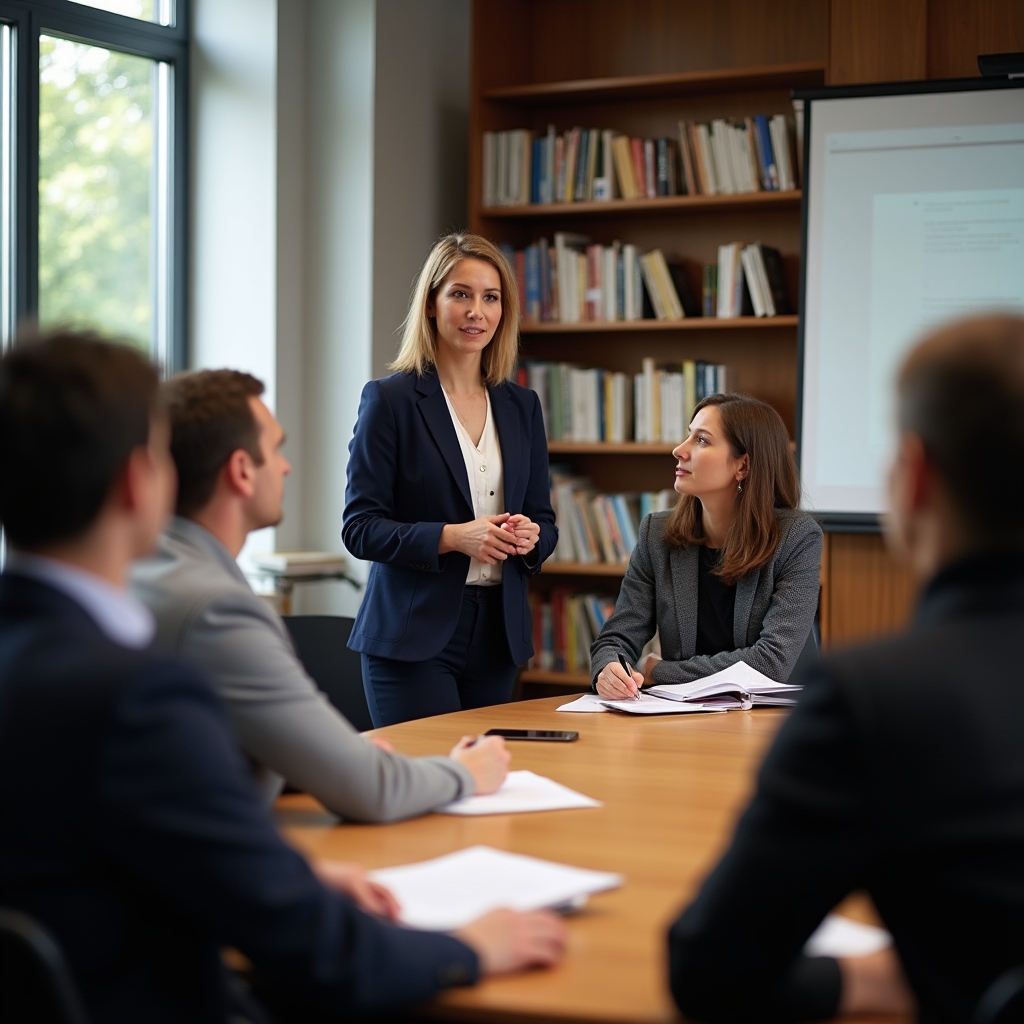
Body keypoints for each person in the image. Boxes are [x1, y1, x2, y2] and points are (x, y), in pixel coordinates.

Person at [0, 330, 566, 1023]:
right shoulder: (148, 685)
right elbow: (319, 950)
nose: (289, 467)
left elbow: (94, 843)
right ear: (135, 480)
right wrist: (469, 947)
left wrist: (282, 869)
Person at [668, 314, 1024, 1022]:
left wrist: (871, 983)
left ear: (914, 477)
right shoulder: (666, 536)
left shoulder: (876, 698)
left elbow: (712, 971)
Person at [132, 368, 510, 822]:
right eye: (275, 449)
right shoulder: (218, 611)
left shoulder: (147, 573)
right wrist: (463, 771)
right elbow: (372, 791)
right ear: (241, 471)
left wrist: (333, 761)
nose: (286, 465)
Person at [343, 232, 558, 726]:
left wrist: (532, 538)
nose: (475, 311)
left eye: (490, 297)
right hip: (412, 634)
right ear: (433, 306)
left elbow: (544, 520)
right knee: (427, 786)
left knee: (487, 789)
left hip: (498, 636)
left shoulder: (522, 406)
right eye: (460, 294)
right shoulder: (390, 401)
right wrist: (452, 537)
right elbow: (359, 527)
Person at [590, 393, 822, 699]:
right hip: (686, 718)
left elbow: (770, 663)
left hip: (776, 718)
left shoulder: (797, 538)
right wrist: (608, 668)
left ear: (743, 466)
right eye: (688, 435)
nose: (678, 450)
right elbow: (617, 637)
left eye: (701, 440)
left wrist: (658, 671)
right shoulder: (656, 534)